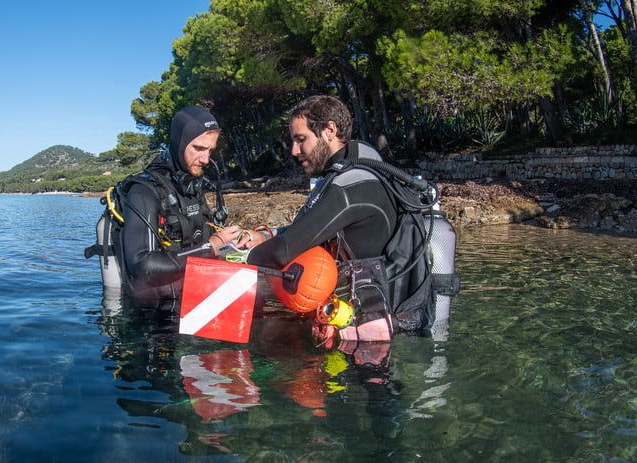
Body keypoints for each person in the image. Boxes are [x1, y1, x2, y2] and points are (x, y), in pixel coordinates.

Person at [234, 95, 434, 342]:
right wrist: (267, 234)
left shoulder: (350, 186)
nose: (294, 151)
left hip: (369, 332)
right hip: (361, 316)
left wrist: (237, 260)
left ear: (330, 130)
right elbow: (311, 228)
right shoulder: (357, 170)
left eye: (301, 140)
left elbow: (282, 252)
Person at [110, 105, 240, 306]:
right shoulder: (144, 191)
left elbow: (206, 238)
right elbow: (142, 264)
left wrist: (231, 242)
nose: (206, 159)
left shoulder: (190, 185)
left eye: (210, 150)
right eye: (198, 148)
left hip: (190, 297)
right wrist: (209, 248)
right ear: (179, 143)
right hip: (154, 318)